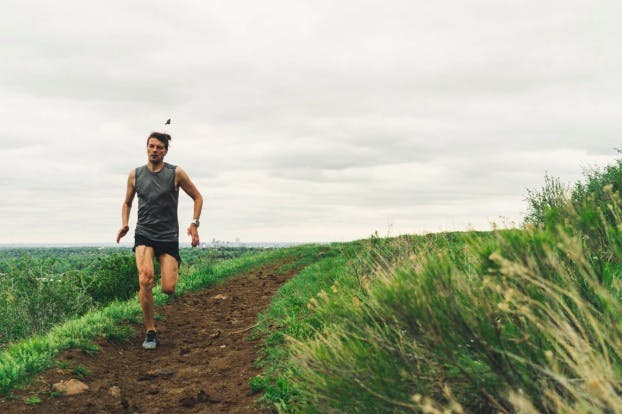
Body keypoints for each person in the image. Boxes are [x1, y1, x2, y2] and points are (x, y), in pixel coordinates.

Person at [116, 132, 203, 349]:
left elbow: (198, 197)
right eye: (151, 146)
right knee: (145, 279)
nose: (154, 150)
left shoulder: (176, 173)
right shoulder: (135, 174)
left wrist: (194, 224)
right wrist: (125, 224)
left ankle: (165, 277)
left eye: (159, 147)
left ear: (165, 151)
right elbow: (126, 202)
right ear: (146, 148)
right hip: (144, 233)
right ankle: (150, 331)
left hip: (168, 236)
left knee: (168, 288)